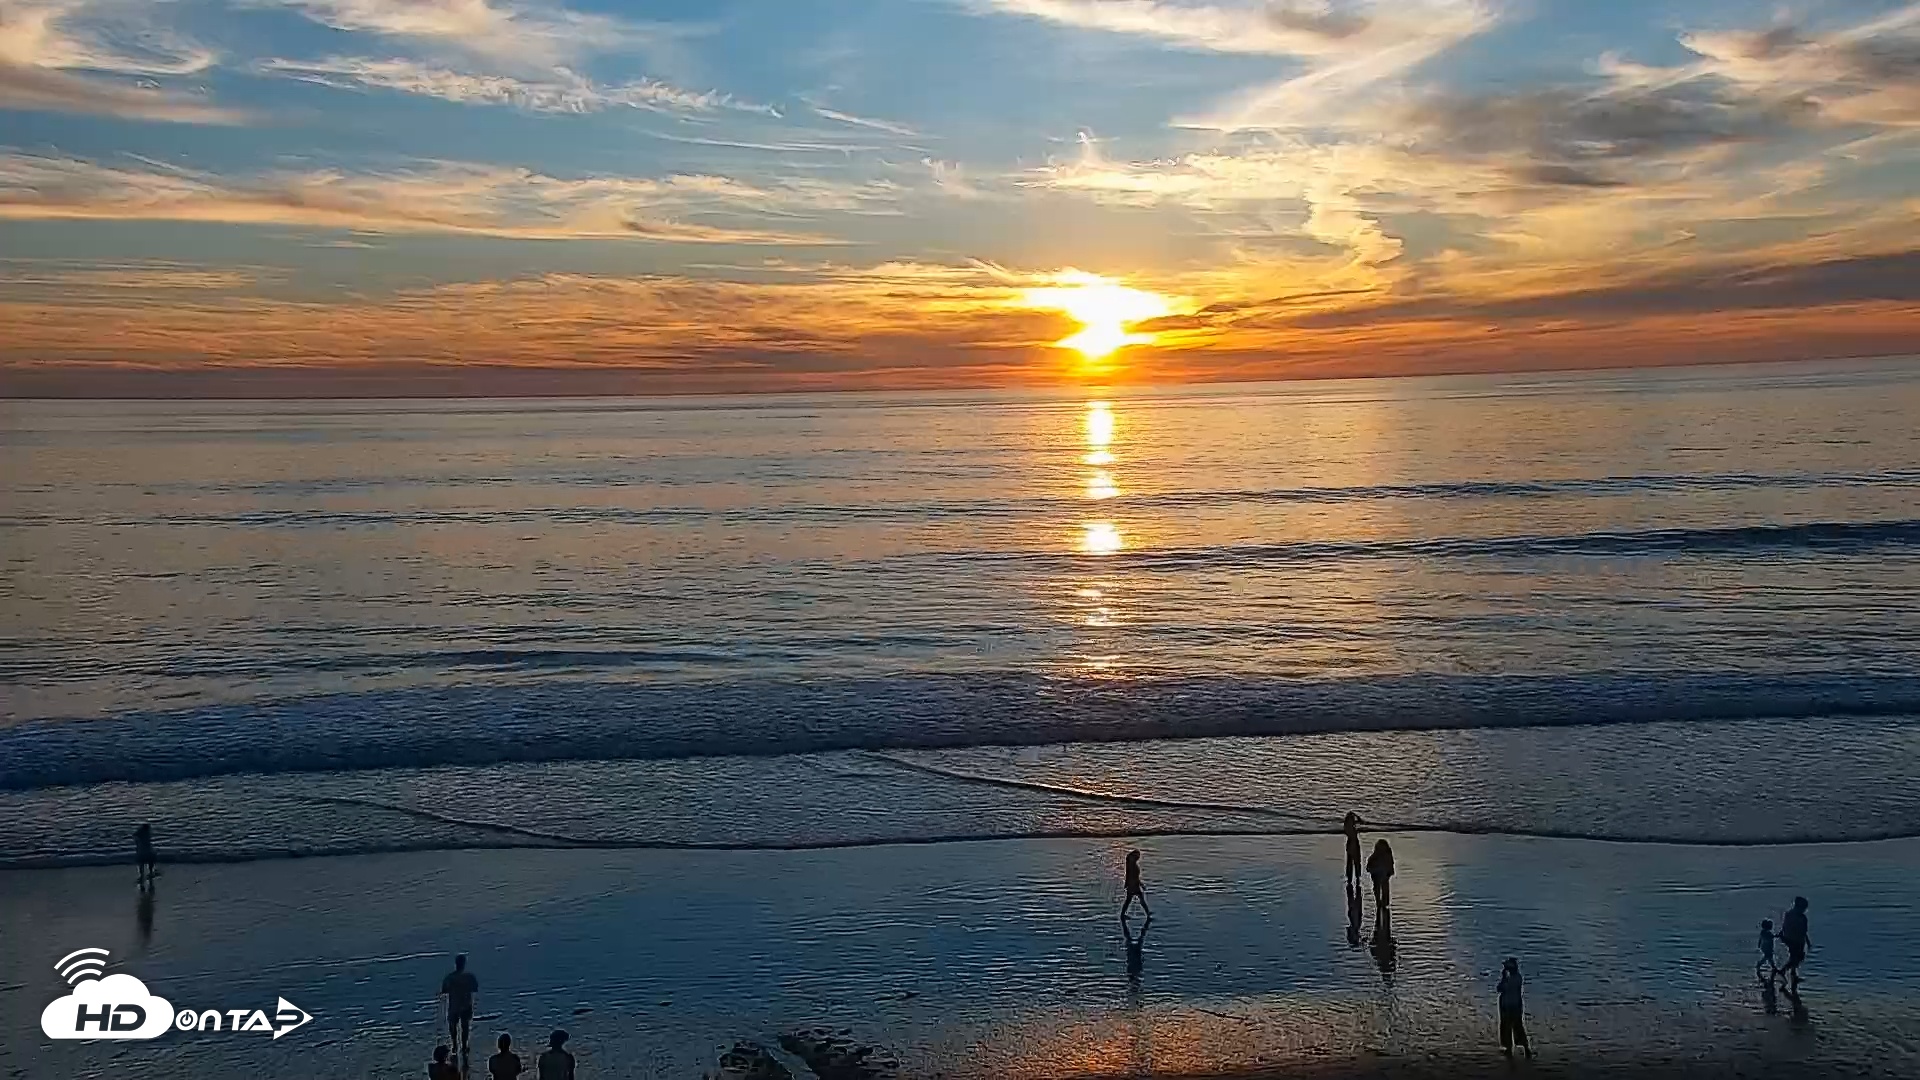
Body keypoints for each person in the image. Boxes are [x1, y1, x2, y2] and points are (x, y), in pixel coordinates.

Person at [440, 954, 479, 1056]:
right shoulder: (470, 977)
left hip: (454, 1005)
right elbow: (475, 989)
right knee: (465, 1026)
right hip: (466, 1004)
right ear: (464, 964)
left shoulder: (449, 978)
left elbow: (444, 990)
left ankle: (454, 1045)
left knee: (453, 1026)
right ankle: (464, 1045)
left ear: (455, 964)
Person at [1498, 958, 1531, 1057]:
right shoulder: (1517, 978)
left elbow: (1500, 988)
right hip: (1515, 1006)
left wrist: (1503, 977)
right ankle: (1524, 1048)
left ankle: (1511, 1049)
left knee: (1510, 1028)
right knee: (1517, 1027)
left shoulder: (1512, 979)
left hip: (1509, 1006)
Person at [1779, 897, 1811, 986]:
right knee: (1797, 957)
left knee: (1794, 956)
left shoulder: (1788, 914)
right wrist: (1808, 942)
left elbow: (1784, 926)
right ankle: (1784, 970)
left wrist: (1781, 934)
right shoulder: (1802, 918)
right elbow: (1804, 932)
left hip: (1788, 939)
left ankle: (1793, 973)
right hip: (1798, 941)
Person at [1366, 838, 1395, 913]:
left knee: (1383, 887)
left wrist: (1391, 871)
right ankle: (1379, 902)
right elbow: (1369, 863)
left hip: (1383, 873)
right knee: (1378, 888)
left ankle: (1384, 902)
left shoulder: (1387, 854)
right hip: (1377, 873)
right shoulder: (1375, 856)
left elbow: (1391, 863)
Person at [1121, 850, 1152, 920]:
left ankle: (1122, 915)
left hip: (1133, 885)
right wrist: (1140, 885)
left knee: (1129, 901)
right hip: (1133, 886)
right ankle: (1148, 914)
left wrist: (1140, 884)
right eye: (1138, 856)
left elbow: (1132, 877)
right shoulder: (1132, 866)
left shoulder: (1132, 865)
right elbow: (1132, 877)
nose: (1139, 857)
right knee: (1138, 900)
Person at [1343, 812, 1363, 886]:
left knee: (1350, 862)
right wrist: (1356, 815)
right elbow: (1360, 821)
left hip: (1350, 844)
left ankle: (1350, 878)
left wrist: (1354, 815)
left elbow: (1359, 821)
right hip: (1353, 843)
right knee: (1356, 861)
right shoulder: (1351, 829)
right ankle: (1357, 877)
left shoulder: (1347, 827)